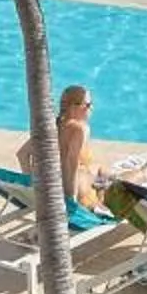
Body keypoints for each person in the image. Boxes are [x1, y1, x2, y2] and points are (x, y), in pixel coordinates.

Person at [54, 84, 103, 214]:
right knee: (135, 176)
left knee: (102, 170)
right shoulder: (80, 129)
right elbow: (72, 164)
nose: (91, 108)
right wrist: (71, 201)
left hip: (54, 192)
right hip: (81, 195)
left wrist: (32, 184)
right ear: (73, 107)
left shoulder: (53, 126)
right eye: (88, 104)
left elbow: (22, 154)